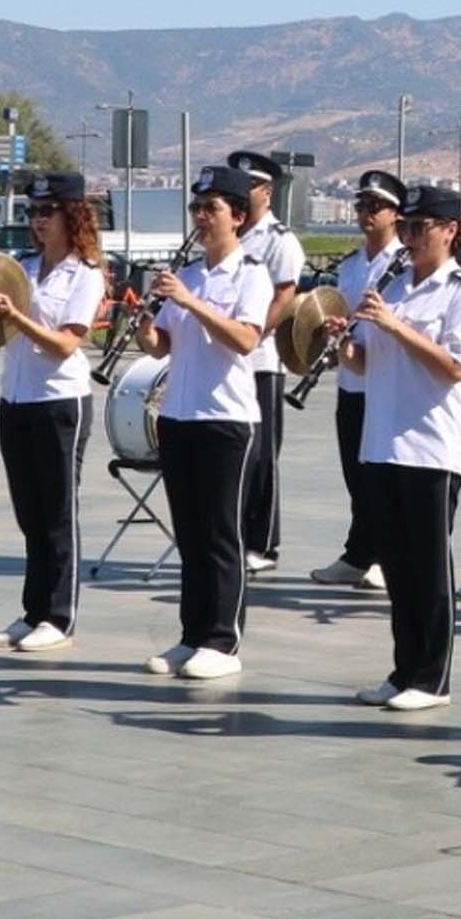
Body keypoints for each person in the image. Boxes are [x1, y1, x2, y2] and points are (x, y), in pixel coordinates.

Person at [348, 183, 461, 712]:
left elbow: (454, 367)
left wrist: (396, 326)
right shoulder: (396, 286)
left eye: (418, 228)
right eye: (405, 228)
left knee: (429, 569)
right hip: (383, 441)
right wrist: (341, 339)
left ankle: (432, 678)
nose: (408, 238)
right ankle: (402, 668)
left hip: (431, 448)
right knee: (398, 567)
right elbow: (363, 363)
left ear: (450, 231)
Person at [135, 164, 276, 679]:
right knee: (189, 534)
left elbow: (245, 338)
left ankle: (223, 639)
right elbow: (163, 345)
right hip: (179, 414)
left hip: (226, 419)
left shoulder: (251, 274)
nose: (200, 217)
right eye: (197, 208)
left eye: (211, 208)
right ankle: (192, 634)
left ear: (237, 217)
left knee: (221, 533)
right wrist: (145, 324)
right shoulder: (188, 273)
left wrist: (191, 303)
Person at [0, 170, 110, 652]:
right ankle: (32, 610)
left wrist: (15, 315)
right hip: (16, 396)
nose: (38, 222)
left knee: (57, 511)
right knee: (28, 511)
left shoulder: (86, 273)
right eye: (33, 213)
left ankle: (59, 615)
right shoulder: (22, 267)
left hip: (59, 399)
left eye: (47, 212)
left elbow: (64, 343)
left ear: (71, 214)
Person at [309, 171, 407, 590]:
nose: (365, 213)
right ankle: (359, 552)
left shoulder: (405, 264)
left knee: (385, 477)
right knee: (356, 472)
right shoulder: (351, 265)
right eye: (361, 206)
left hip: (387, 382)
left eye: (375, 206)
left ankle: (388, 555)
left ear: (396, 214)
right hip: (352, 380)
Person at [228, 150, 306, 577]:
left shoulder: (279, 240)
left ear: (267, 191)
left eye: (249, 186)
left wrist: (254, 333)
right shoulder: (230, 233)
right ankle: (236, 534)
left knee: (261, 455)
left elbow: (285, 295)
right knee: (237, 451)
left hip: (261, 358)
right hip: (227, 359)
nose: (241, 194)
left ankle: (264, 541)